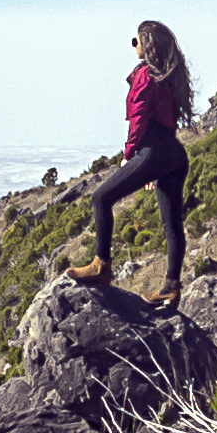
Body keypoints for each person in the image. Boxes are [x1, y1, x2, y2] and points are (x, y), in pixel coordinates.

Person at [66, 16, 191, 297]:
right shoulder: (169, 76)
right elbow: (167, 122)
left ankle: (101, 266)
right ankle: (171, 286)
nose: (134, 46)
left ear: (146, 45)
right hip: (173, 153)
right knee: (172, 225)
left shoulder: (146, 75)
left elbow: (138, 117)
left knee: (100, 198)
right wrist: (154, 166)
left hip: (154, 150)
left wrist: (130, 155)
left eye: (136, 41)